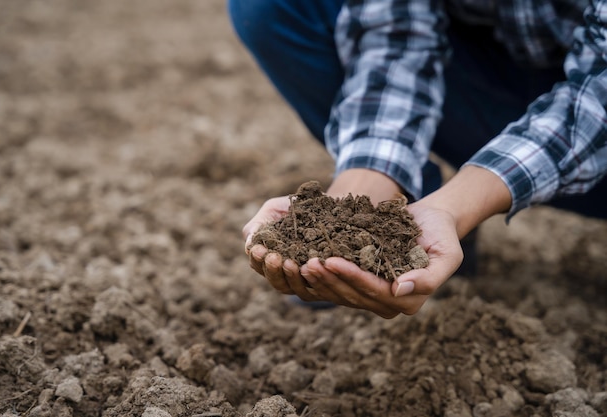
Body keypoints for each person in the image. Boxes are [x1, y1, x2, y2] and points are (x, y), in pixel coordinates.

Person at [229, 0, 607, 318]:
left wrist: (456, 207)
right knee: (270, 7)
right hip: (499, 89)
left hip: (594, 145)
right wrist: (358, 195)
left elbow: (597, 100)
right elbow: (396, 40)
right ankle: (413, 201)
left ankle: (460, 205)